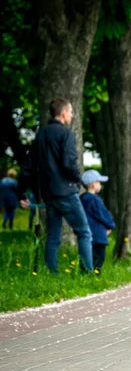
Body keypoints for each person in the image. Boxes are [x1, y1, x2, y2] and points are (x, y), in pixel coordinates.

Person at [18, 98, 93, 273]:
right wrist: (78, 179)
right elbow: (69, 162)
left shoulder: (41, 135)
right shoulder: (65, 134)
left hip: (49, 193)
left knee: (53, 236)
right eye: (71, 112)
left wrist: (21, 192)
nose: (72, 115)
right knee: (84, 232)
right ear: (64, 112)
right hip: (66, 192)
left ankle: (52, 273)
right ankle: (88, 272)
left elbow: (28, 167)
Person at [80, 169, 115, 271]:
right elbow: (103, 214)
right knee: (99, 258)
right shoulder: (95, 200)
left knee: (86, 256)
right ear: (93, 185)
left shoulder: (81, 199)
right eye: (98, 182)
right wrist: (110, 225)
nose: (100, 185)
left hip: (86, 233)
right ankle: (95, 275)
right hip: (98, 234)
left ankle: (86, 273)